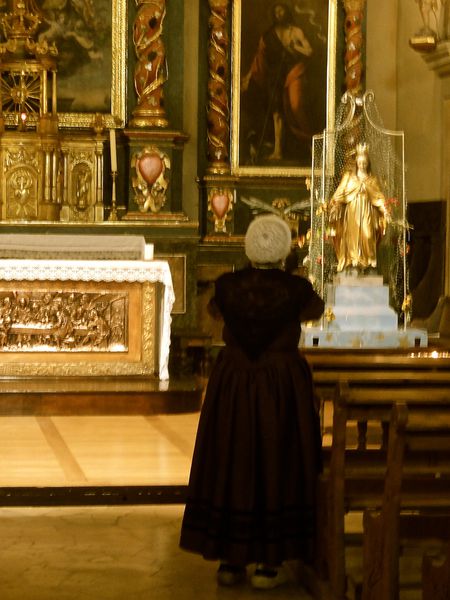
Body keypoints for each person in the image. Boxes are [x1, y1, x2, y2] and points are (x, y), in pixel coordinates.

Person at [179, 214, 325, 590]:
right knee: (278, 461)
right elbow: (317, 311)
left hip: (235, 383)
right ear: (282, 251)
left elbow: (214, 311)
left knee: (233, 460)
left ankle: (230, 560)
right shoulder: (297, 290)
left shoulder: (228, 287)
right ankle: (269, 563)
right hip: (281, 383)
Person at [241, 3, 314, 163]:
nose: (279, 14)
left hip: (293, 72)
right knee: (276, 112)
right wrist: (247, 77)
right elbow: (259, 58)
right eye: (276, 11)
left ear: (286, 12)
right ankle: (277, 151)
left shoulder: (295, 31)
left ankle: (313, 144)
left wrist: (295, 47)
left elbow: (309, 51)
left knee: (295, 107)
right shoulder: (268, 35)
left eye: (281, 11)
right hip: (275, 75)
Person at [327, 143, 390, 274]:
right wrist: (335, 207)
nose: (362, 165)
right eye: (360, 162)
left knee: (367, 235)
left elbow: (379, 197)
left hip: (367, 212)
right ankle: (353, 261)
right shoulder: (349, 177)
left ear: (367, 163)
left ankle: (369, 261)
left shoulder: (372, 180)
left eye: (364, 162)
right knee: (352, 238)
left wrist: (385, 211)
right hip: (352, 212)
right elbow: (338, 195)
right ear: (356, 162)